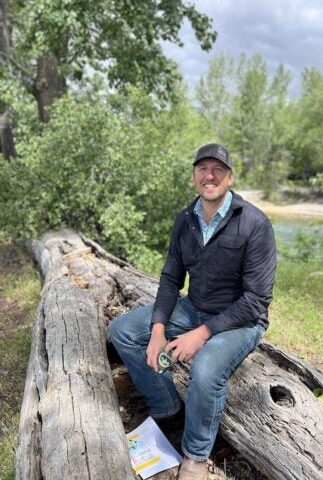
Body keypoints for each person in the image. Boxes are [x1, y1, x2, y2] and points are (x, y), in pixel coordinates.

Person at [108, 143, 276, 480]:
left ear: (230, 177)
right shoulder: (186, 220)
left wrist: (201, 335)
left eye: (217, 169)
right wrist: (158, 330)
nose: (209, 175)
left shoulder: (254, 223)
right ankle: (166, 407)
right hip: (193, 307)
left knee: (205, 369)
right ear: (194, 176)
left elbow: (257, 300)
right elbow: (171, 278)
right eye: (202, 168)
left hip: (240, 321)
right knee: (122, 332)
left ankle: (196, 457)